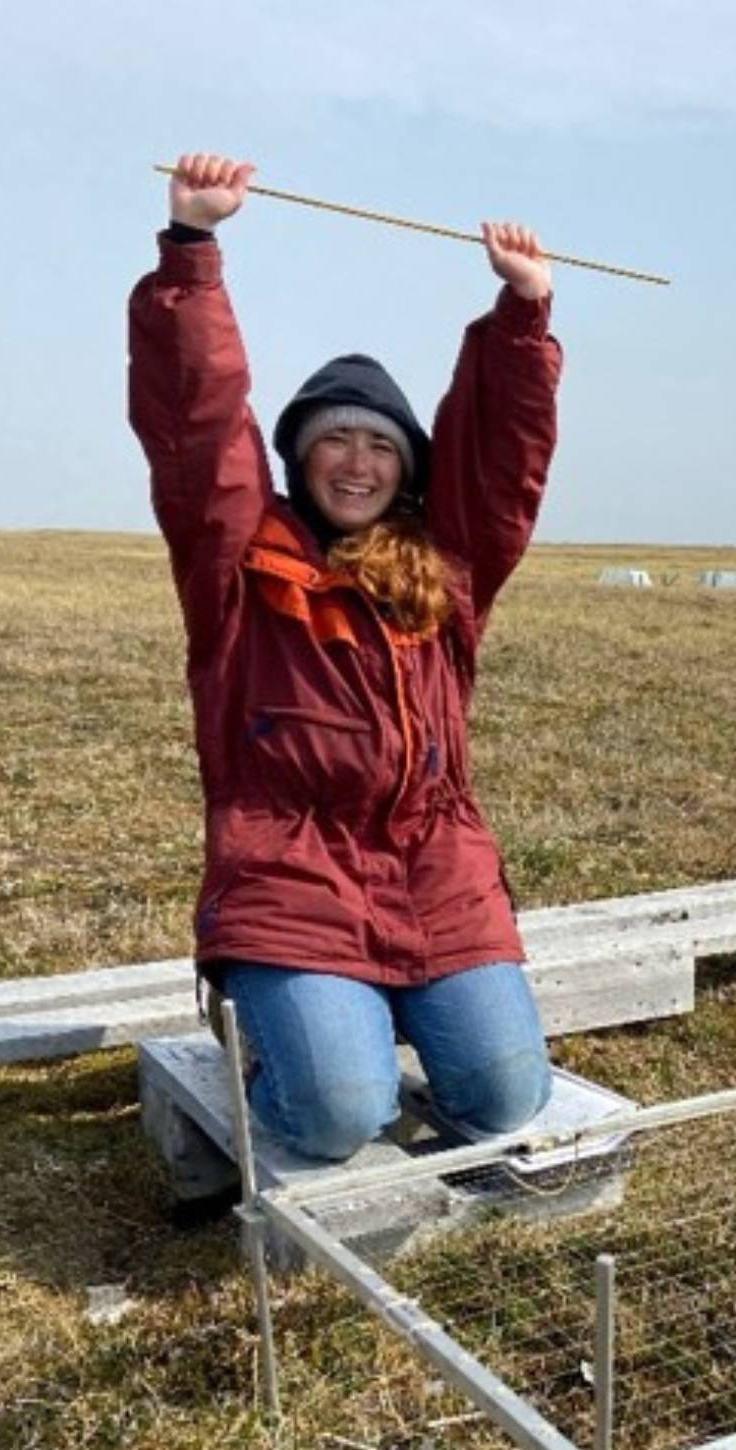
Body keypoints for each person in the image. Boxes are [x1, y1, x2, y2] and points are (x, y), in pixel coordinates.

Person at [128, 151, 562, 1161]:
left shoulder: (444, 573)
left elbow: (501, 464)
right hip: (289, 874)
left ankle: (373, 1021)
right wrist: (193, 248)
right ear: (298, 456)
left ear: (406, 469)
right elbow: (194, 429)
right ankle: (278, 1043)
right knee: (332, 1116)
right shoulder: (236, 561)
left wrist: (522, 317)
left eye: (380, 446)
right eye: (335, 441)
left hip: (437, 867)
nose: (358, 461)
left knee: (505, 1096)